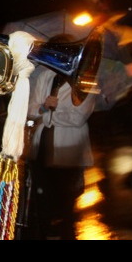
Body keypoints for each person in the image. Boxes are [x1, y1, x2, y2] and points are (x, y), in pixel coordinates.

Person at [26, 33, 97, 240]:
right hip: (41, 147)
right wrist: (42, 107)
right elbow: (31, 109)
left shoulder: (85, 80)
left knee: (65, 203)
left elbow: (78, 117)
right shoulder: (44, 76)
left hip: (68, 149)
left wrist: (51, 113)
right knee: (43, 200)